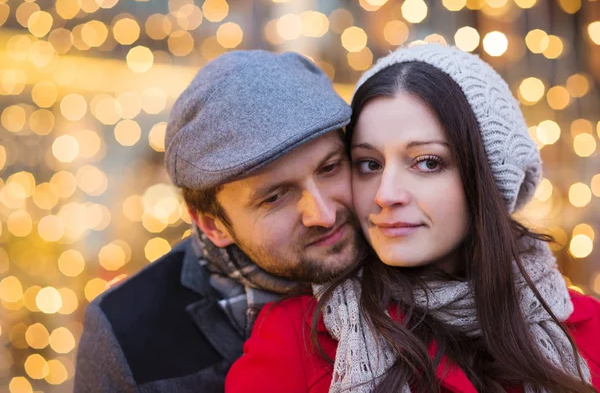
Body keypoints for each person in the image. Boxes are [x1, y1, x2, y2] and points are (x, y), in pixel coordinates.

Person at [225, 44, 600, 392]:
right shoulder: (298, 337)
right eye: (369, 164)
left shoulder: (587, 332)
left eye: (427, 162)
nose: (386, 195)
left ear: (486, 178)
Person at [73, 50, 364, 392]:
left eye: (329, 168)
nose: (324, 214)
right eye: (275, 197)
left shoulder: (413, 257)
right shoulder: (127, 333)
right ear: (213, 225)